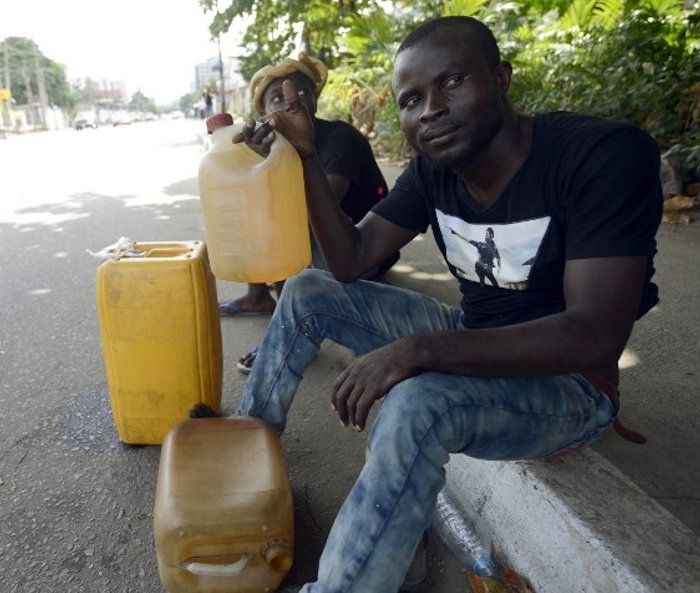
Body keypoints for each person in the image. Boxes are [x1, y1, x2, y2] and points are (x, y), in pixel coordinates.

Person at [201, 15, 662, 593]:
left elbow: (594, 334)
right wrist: (306, 156)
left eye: (453, 82)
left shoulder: (599, 155)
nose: (431, 110)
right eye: (411, 99)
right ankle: (249, 443)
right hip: (473, 330)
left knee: (418, 404)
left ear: (500, 78)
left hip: (569, 383)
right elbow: (349, 261)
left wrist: (418, 351)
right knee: (308, 290)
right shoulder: (432, 172)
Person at [217, 53, 399, 374]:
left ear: (314, 98)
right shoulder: (273, 145)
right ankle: (257, 296)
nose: (294, 100)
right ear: (263, 112)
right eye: (278, 97)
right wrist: (254, 161)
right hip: (327, 251)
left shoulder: (339, 139)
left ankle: (293, 333)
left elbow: (318, 207)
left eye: (302, 90)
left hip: (363, 251)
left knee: (280, 224)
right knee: (254, 211)